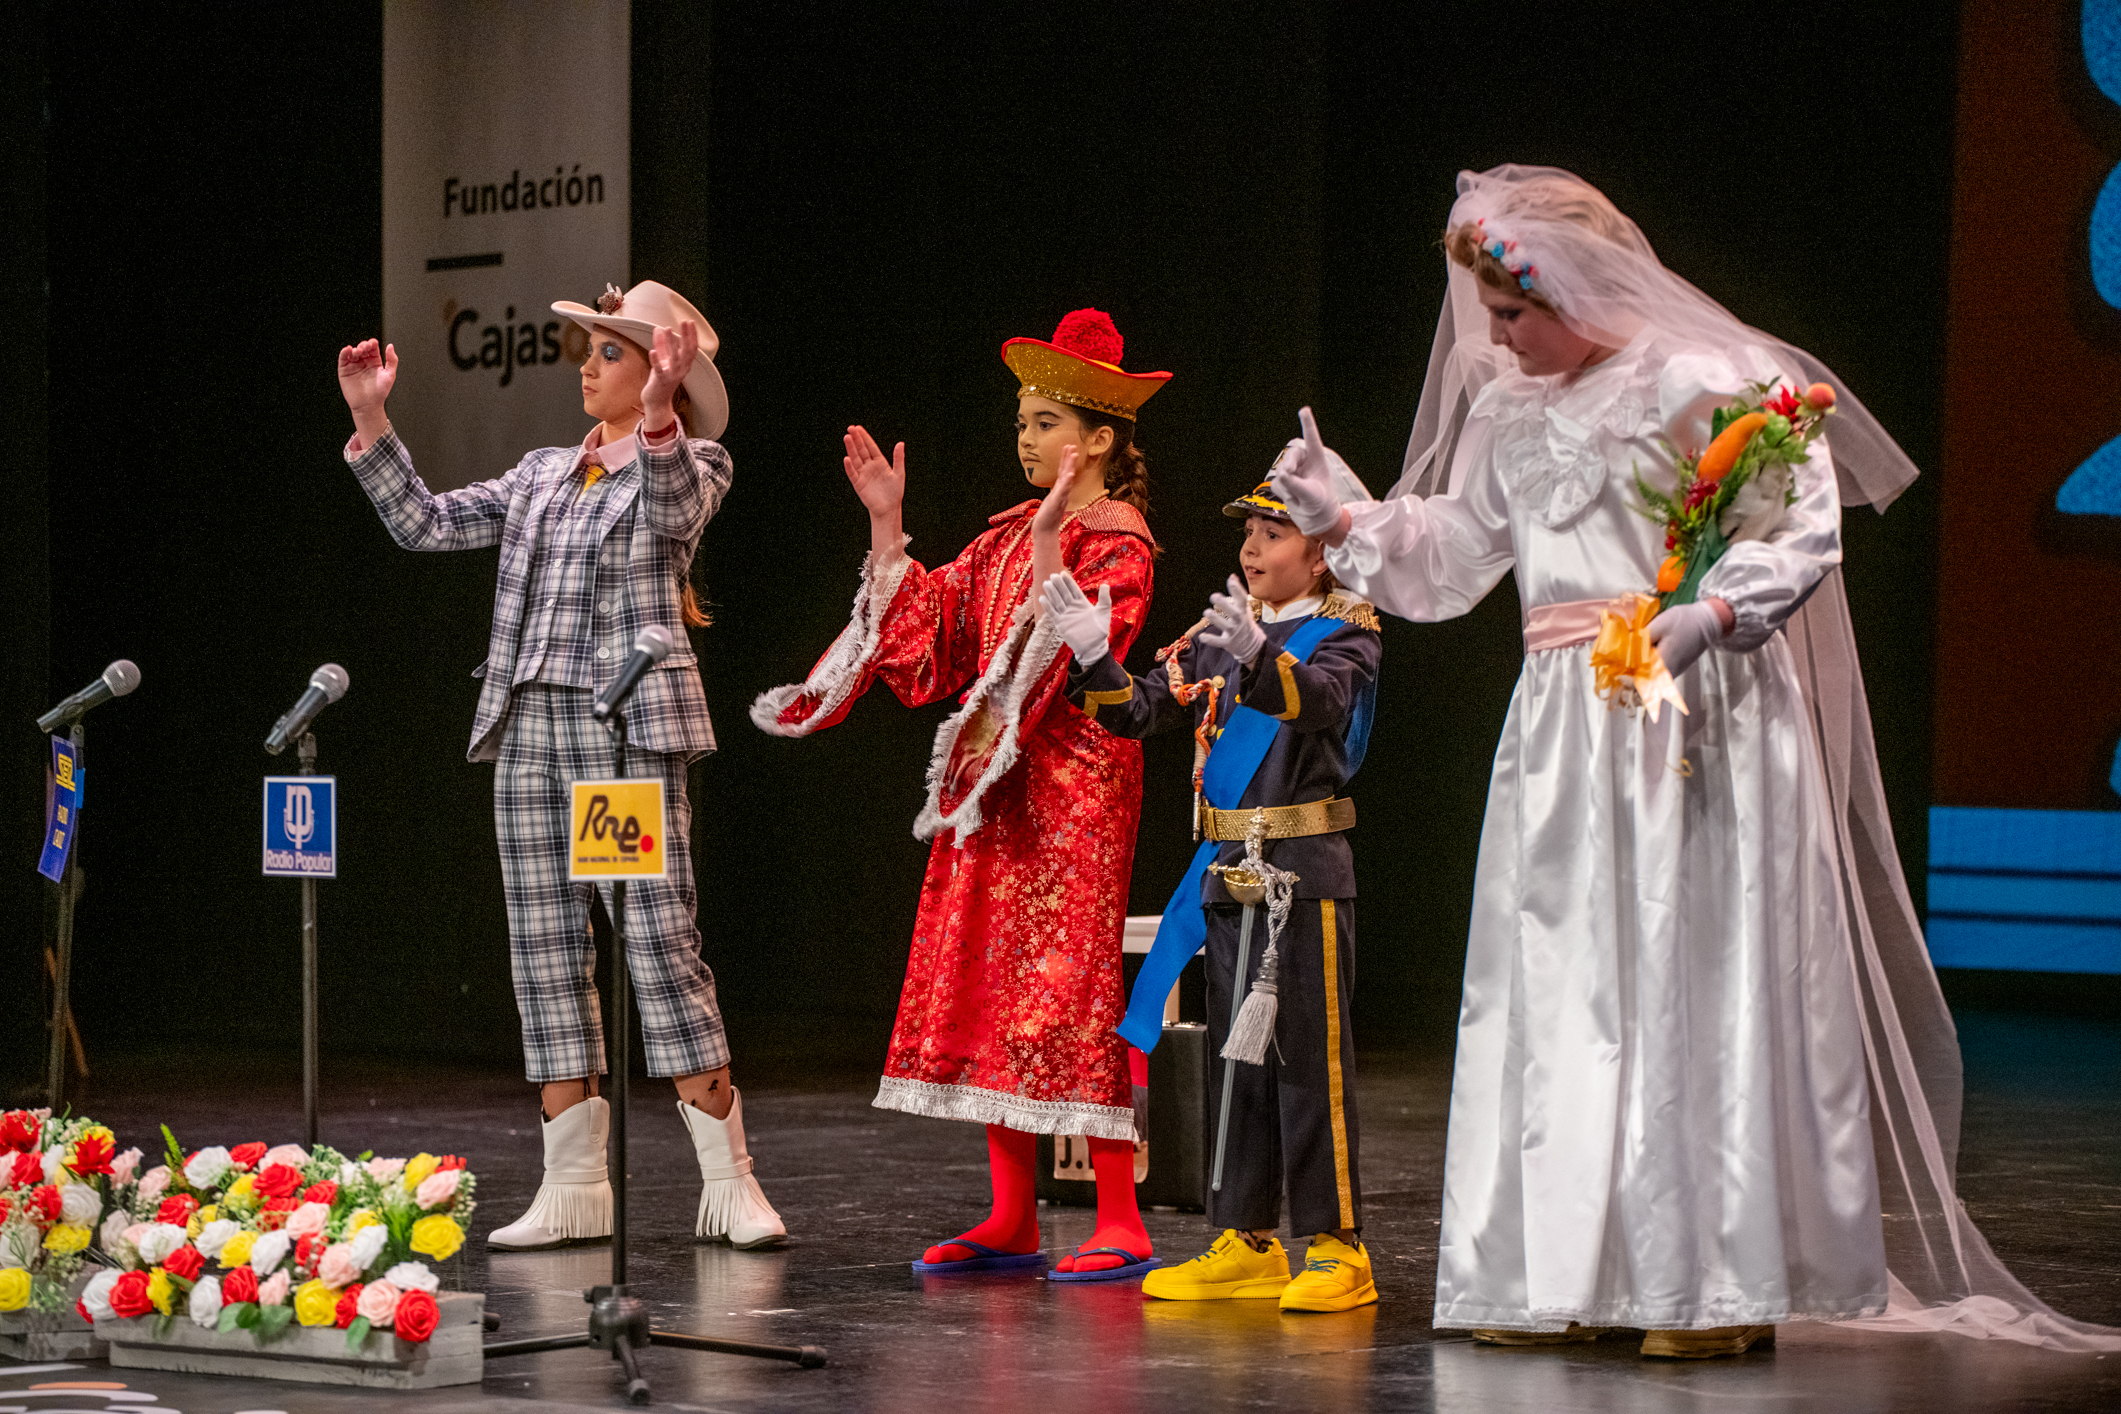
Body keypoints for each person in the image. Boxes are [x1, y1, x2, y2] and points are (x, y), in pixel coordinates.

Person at [1272, 164, 2121, 1357]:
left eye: (1514, 314)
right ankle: (1553, 1268)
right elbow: (1461, 558)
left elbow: (1799, 524)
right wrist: (1349, 521)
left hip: (1696, 708)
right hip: (1568, 722)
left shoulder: (1706, 382)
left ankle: (1707, 1284)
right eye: (1492, 317)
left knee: (1688, 973)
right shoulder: (1512, 407)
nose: (1496, 339)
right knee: (1561, 986)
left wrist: (1713, 615)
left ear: (1576, 282)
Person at [334, 279, 785, 1252]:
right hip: (527, 725)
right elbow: (430, 523)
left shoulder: (694, 460)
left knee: (656, 941)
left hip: (615, 727)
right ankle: (574, 1181)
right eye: (586, 350)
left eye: (610, 352)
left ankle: (729, 1178)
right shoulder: (543, 471)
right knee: (544, 948)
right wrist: (374, 420)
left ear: (659, 371)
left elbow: (669, 514)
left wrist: (662, 414)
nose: (588, 365)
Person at [752, 309, 1166, 1279]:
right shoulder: (1003, 538)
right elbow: (936, 639)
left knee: (1067, 986)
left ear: (1099, 438)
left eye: (1045, 423)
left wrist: (1057, 539)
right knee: (994, 982)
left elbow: (1060, 654)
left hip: (1072, 790)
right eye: (1020, 421)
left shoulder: (1118, 544)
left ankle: (1119, 1213)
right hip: (998, 796)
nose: (1024, 439)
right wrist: (888, 525)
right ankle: (1013, 1213)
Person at [1043, 464, 1382, 1312]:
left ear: (1323, 551)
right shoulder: (1221, 632)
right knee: (1236, 1065)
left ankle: (1338, 1245)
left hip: (1301, 877)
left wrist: (1264, 658)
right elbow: (1142, 711)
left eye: (1274, 533)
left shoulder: (1348, 632)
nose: (1252, 547)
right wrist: (1093, 654)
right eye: (1250, 532)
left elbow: (1320, 703)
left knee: (1309, 1064)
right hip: (1228, 879)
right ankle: (1247, 1239)